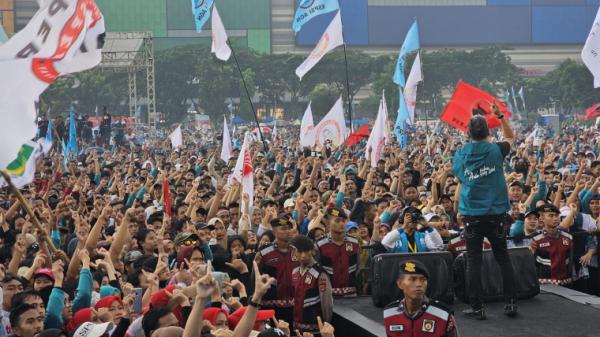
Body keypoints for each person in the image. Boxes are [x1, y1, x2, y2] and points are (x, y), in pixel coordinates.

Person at [451, 103, 517, 319]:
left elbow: (460, 177)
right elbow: (510, 137)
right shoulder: (496, 149)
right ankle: (510, 303)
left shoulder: (460, 155)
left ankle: (477, 307)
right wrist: (500, 116)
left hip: (472, 215)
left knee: (473, 262)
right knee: (503, 258)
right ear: (489, 132)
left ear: (468, 133)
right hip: (497, 214)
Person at [383, 260, 457, 337]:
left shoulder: (443, 314)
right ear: (400, 284)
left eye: (423, 279)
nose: (419, 284)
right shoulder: (389, 312)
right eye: (413, 279)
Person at [254, 216, 297, 327]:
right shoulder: (264, 252)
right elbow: (255, 277)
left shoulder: (296, 251)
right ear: (274, 232)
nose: (287, 231)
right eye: (283, 229)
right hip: (270, 307)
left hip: (293, 307)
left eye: (288, 228)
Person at [289, 235, 332, 334]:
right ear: (294, 252)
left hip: (315, 329)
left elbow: (327, 303)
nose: (303, 255)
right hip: (297, 327)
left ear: (312, 251)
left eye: (306, 251)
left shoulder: (320, 273)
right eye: (299, 252)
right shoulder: (294, 272)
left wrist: (325, 325)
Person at [316, 208, 360, 298]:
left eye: (343, 221)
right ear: (328, 223)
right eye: (337, 221)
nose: (341, 223)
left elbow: (358, 268)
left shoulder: (354, 243)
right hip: (328, 296)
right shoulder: (320, 244)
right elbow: (317, 271)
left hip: (351, 295)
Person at [530, 204, 575, 285]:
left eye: (557, 215)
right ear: (542, 218)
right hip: (544, 284)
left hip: (566, 283)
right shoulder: (535, 238)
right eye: (551, 216)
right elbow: (531, 263)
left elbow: (571, 261)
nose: (555, 218)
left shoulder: (568, 237)